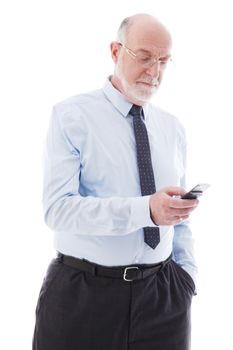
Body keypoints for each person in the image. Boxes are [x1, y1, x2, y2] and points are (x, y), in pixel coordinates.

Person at [33, 13, 199, 350]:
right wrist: (146, 211)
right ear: (114, 51)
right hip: (84, 297)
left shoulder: (173, 128)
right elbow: (58, 210)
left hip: (163, 297)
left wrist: (187, 277)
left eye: (164, 61)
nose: (154, 72)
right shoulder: (71, 116)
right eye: (145, 57)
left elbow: (178, 219)